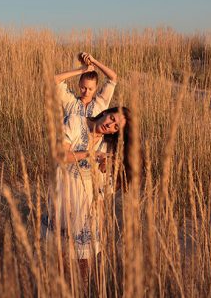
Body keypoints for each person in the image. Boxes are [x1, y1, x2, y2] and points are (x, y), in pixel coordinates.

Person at [42, 106, 132, 287]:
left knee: (83, 268)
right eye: (112, 119)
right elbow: (58, 154)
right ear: (106, 112)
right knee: (58, 262)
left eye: (116, 128)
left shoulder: (107, 146)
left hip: (87, 211)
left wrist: (106, 170)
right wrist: (89, 154)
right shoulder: (75, 121)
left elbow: (105, 190)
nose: (110, 126)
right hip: (63, 201)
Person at [54, 52, 118, 118]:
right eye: (83, 88)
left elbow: (113, 77)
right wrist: (81, 71)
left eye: (90, 89)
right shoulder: (70, 102)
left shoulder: (100, 103)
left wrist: (94, 61)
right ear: (79, 84)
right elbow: (55, 79)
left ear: (96, 87)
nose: (86, 92)